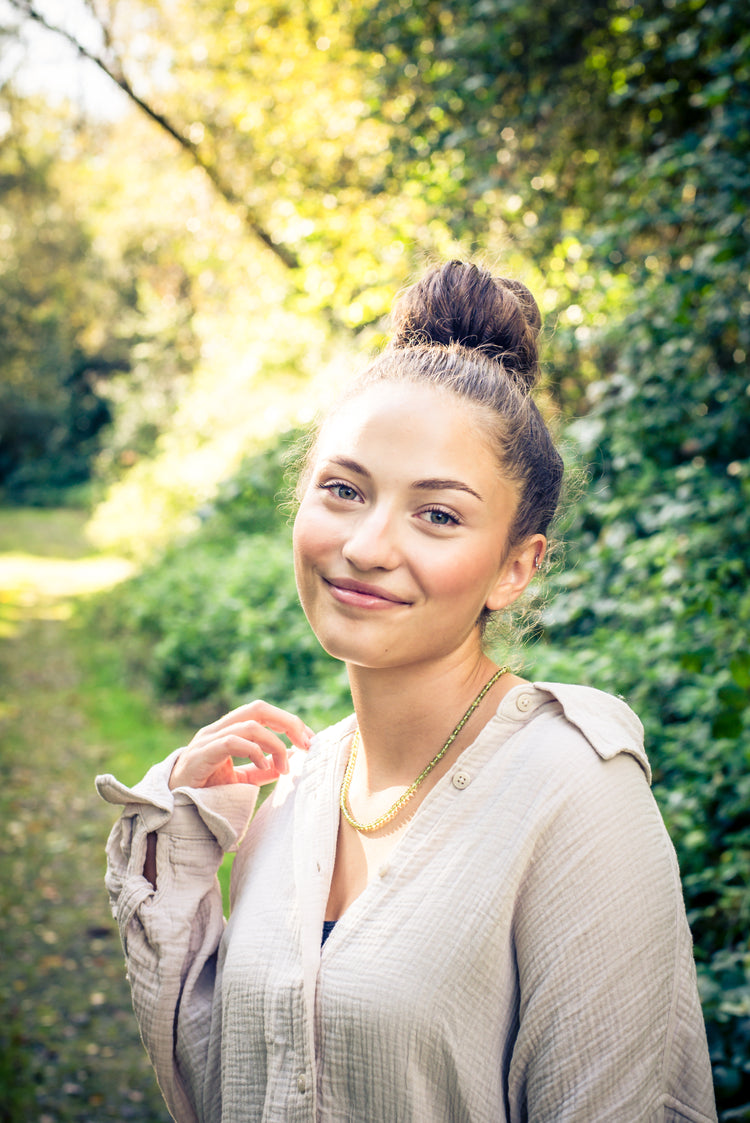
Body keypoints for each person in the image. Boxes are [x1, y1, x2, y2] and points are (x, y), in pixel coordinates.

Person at [96, 261, 717, 1123]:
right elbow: (239, 1089)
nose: (367, 546)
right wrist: (183, 840)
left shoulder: (576, 792)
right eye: (344, 490)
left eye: (438, 514)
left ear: (516, 567)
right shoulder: (296, 791)